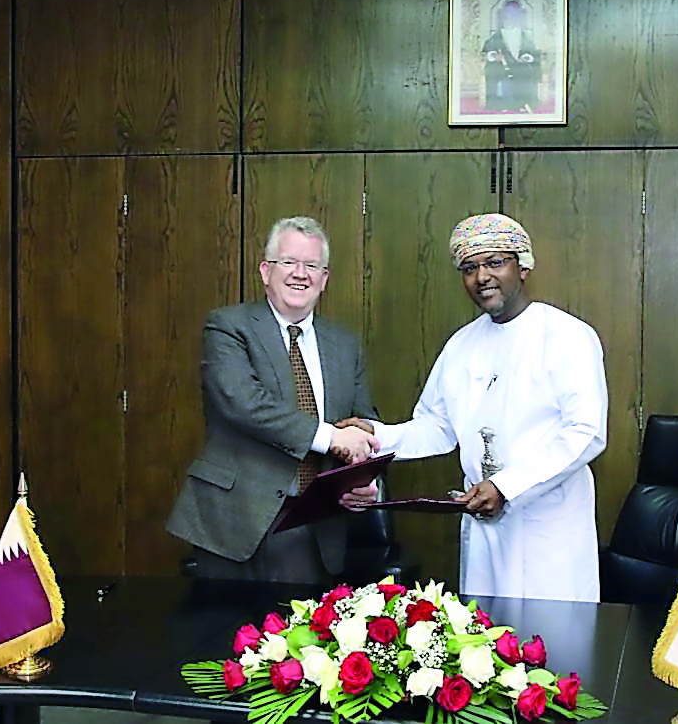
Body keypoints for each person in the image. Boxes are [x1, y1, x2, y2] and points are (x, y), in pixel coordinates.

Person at [342, 214, 607, 602]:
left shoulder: (568, 336)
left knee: (553, 647)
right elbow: (436, 427)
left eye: (495, 263)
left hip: (547, 525)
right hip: (484, 523)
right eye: (470, 268)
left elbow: (586, 433)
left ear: (523, 266)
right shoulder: (462, 345)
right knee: (484, 645)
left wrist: (506, 486)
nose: (482, 276)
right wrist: (374, 434)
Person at [167, 216, 380, 583]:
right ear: (266, 271)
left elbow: (362, 420)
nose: (301, 274)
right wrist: (331, 436)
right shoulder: (228, 326)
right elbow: (242, 402)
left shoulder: (345, 345)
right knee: (221, 636)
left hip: (314, 520)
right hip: (234, 518)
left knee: (301, 635)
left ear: (324, 279)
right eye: (289, 263)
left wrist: (361, 476)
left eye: (312, 265)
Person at [482, 0, 541, 112]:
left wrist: (526, 58)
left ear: (518, 16)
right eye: (506, 14)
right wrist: (495, 56)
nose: (509, 17)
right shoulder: (496, 38)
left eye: (513, 14)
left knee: (528, 73)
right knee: (498, 75)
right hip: (502, 68)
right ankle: (503, 105)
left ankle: (525, 103)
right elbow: (488, 51)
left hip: (521, 68)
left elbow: (532, 53)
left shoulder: (526, 38)